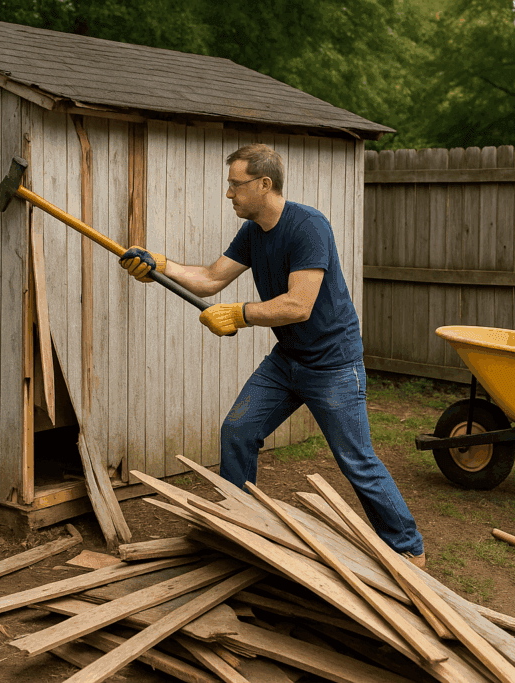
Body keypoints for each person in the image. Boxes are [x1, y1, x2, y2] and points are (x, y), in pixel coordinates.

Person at [119, 144, 425, 567]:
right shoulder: (253, 233)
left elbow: (299, 304)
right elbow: (209, 279)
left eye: (235, 184)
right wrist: (160, 264)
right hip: (288, 359)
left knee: (356, 459)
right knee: (238, 431)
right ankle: (239, 529)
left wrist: (240, 314)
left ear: (264, 184)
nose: (229, 194)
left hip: (333, 364)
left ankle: (408, 549)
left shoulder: (307, 226)